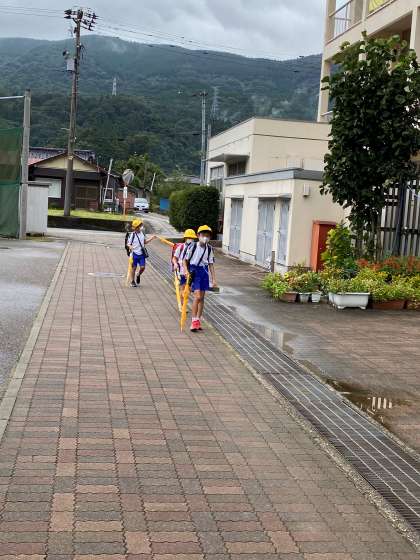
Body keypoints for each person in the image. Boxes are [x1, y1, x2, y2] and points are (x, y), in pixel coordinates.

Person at [183, 225, 217, 332]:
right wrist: (186, 270)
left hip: (204, 272)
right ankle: (193, 321)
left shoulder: (209, 249)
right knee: (197, 296)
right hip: (194, 272)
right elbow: (185, 260)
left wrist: (214, 279)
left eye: (207, 235)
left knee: (202, 298)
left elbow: (211, 264)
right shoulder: (192, 246)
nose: (205, 237)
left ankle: (198, 320)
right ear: (198, 235)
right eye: (203, 235)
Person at [127, 218, 156, 287]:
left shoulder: (142, 233)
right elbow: (128, 244)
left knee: (142, 268)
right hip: (134, 254)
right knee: (134, 268)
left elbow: (145, 242)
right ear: (135, 228)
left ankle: (138, 274)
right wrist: (130, 247)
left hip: (141, 254)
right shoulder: (132, 235)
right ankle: (132, 281)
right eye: (137, 227)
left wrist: (152, 238)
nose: (138, 228)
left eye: (139, 226)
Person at [172, 229, 198, 309]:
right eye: (189, 238)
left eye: (192, 238)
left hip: (191, 272)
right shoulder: (181, 247)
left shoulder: (196, 248)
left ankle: (183, 303)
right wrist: (175, 264)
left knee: (188, 289)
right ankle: (182, 306)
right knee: (183, 288)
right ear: (185, 238)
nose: (190, 239)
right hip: (182, 272)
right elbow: (174, 258)